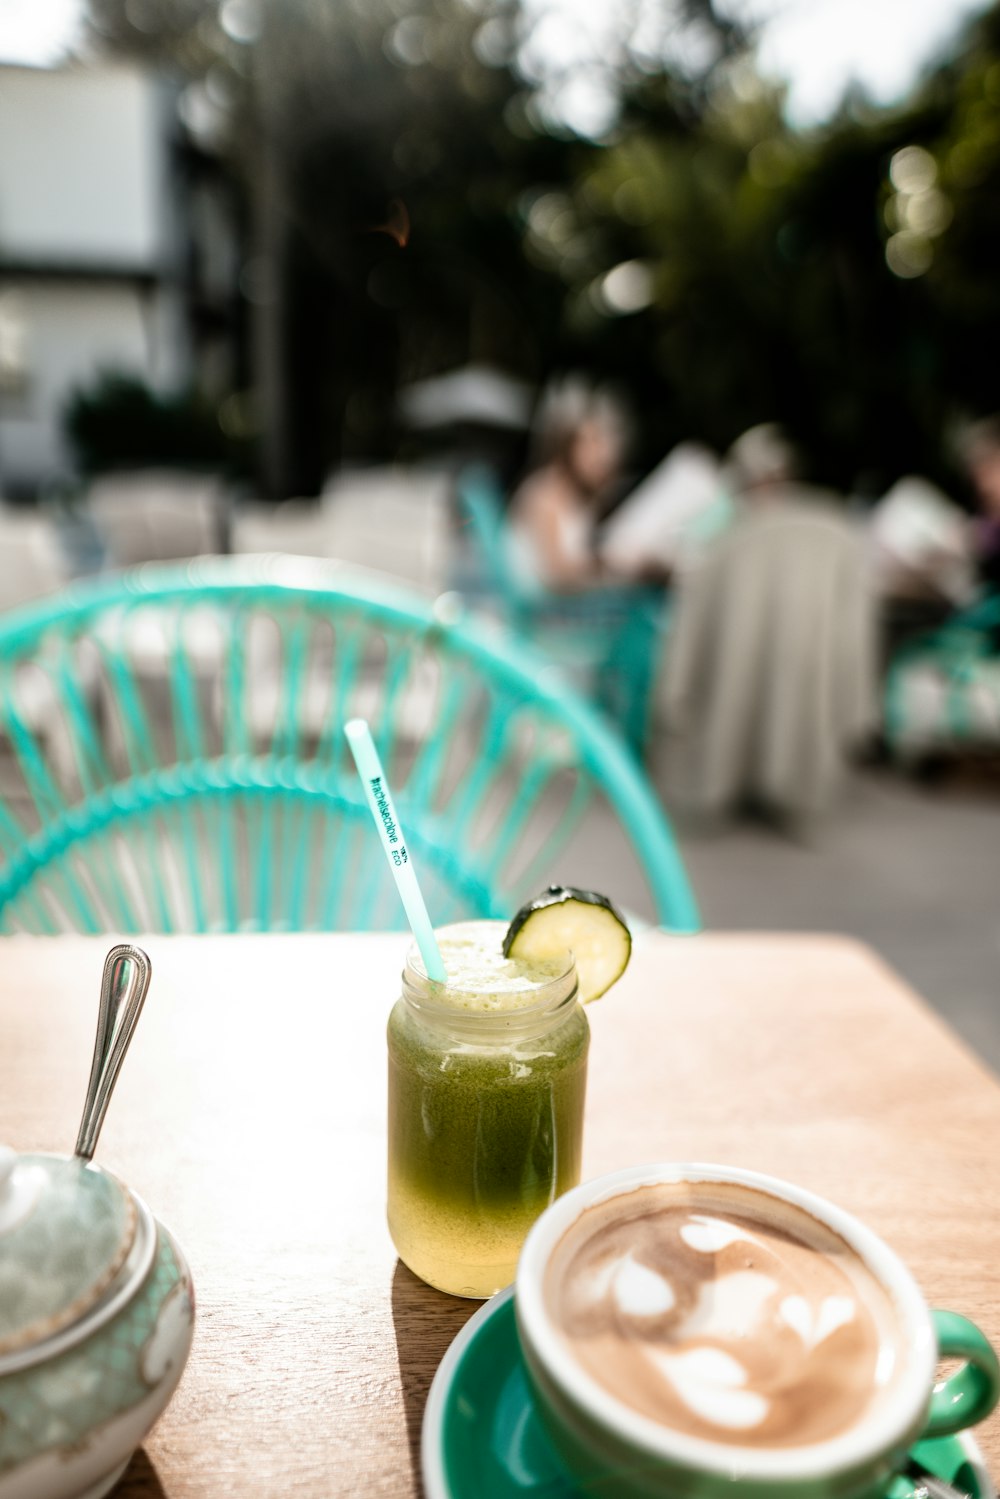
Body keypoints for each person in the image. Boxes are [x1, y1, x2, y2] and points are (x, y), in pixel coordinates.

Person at [507, 379, 628, 591]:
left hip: (564, 609)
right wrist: (606, 566)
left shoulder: (578, 496)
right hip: (549, 615)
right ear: (567, 444)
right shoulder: (544, 494)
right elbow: (557, 573)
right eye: (592, 442)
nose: (602, 455)